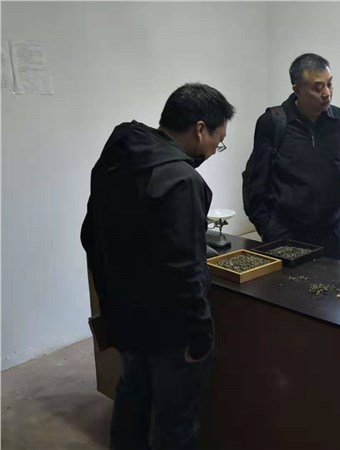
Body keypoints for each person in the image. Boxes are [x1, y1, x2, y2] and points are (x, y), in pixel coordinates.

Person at [81, 83, 235, 450]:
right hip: (169, 330)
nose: (214, 151)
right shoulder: (183, 180)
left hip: (124, 312)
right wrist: (200, 336)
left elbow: (91, 234)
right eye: (218, 141)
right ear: (200, 129)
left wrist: (109, 299)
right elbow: (186, 270)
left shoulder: (121, 150)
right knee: (176, 421)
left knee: (131, 396)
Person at [243, 53, 340, 260]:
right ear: (297, 90)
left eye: (330, 84)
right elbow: (255, 185)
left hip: (332, 233)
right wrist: (270, 231)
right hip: (286, 233)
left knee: (336, 281)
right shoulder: (273, 122)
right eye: (318, 88)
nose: (327, 93)